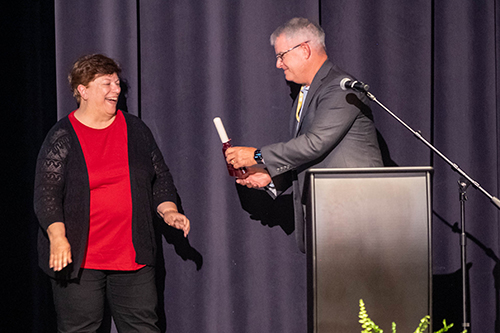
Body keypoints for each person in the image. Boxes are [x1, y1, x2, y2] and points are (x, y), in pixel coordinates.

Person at [34, 54, 190, 332]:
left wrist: (170, 211)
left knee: (143, 328)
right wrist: (57, 238)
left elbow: (160, 177)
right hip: (80, 260)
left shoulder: (136, 130)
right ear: (82, 90)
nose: (116, 90)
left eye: (117, 83)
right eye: (107, 83)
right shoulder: (62, 136)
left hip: (132, 257)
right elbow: (46, 194)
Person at [225, 18, 383, 252]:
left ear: (305, 49)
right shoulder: (306, 93)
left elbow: (315, 144)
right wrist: (272, 178)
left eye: (281, 56)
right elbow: (311, 156)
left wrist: (257, 155)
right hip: (327, 220)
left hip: (353, 218)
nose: (278, 64)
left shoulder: (340, 88)